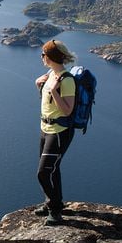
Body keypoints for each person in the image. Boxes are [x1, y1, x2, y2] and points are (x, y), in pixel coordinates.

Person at [33, 39, 76, 225]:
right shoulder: (51, 74)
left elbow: (67, 110)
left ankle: (55, 209)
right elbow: (47, 103)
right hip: (46, 128)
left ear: (50, 57)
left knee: (43, 173)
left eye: (43, 54)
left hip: (59, 131)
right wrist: (39, 85)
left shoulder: (66, 80)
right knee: (53, 169)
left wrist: (54, 91)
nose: (42, 57)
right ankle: (50, 202)